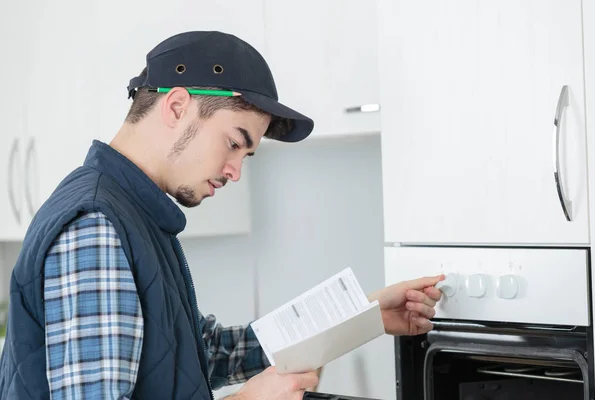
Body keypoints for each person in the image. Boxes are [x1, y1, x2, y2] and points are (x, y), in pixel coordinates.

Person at [0, 31, 443, 399]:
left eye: (246, 155)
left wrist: (359, 316)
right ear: (176, 107)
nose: (234, 171)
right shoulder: (96, 226)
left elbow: (202, 352)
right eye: (235, 142)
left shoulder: (135, 216)